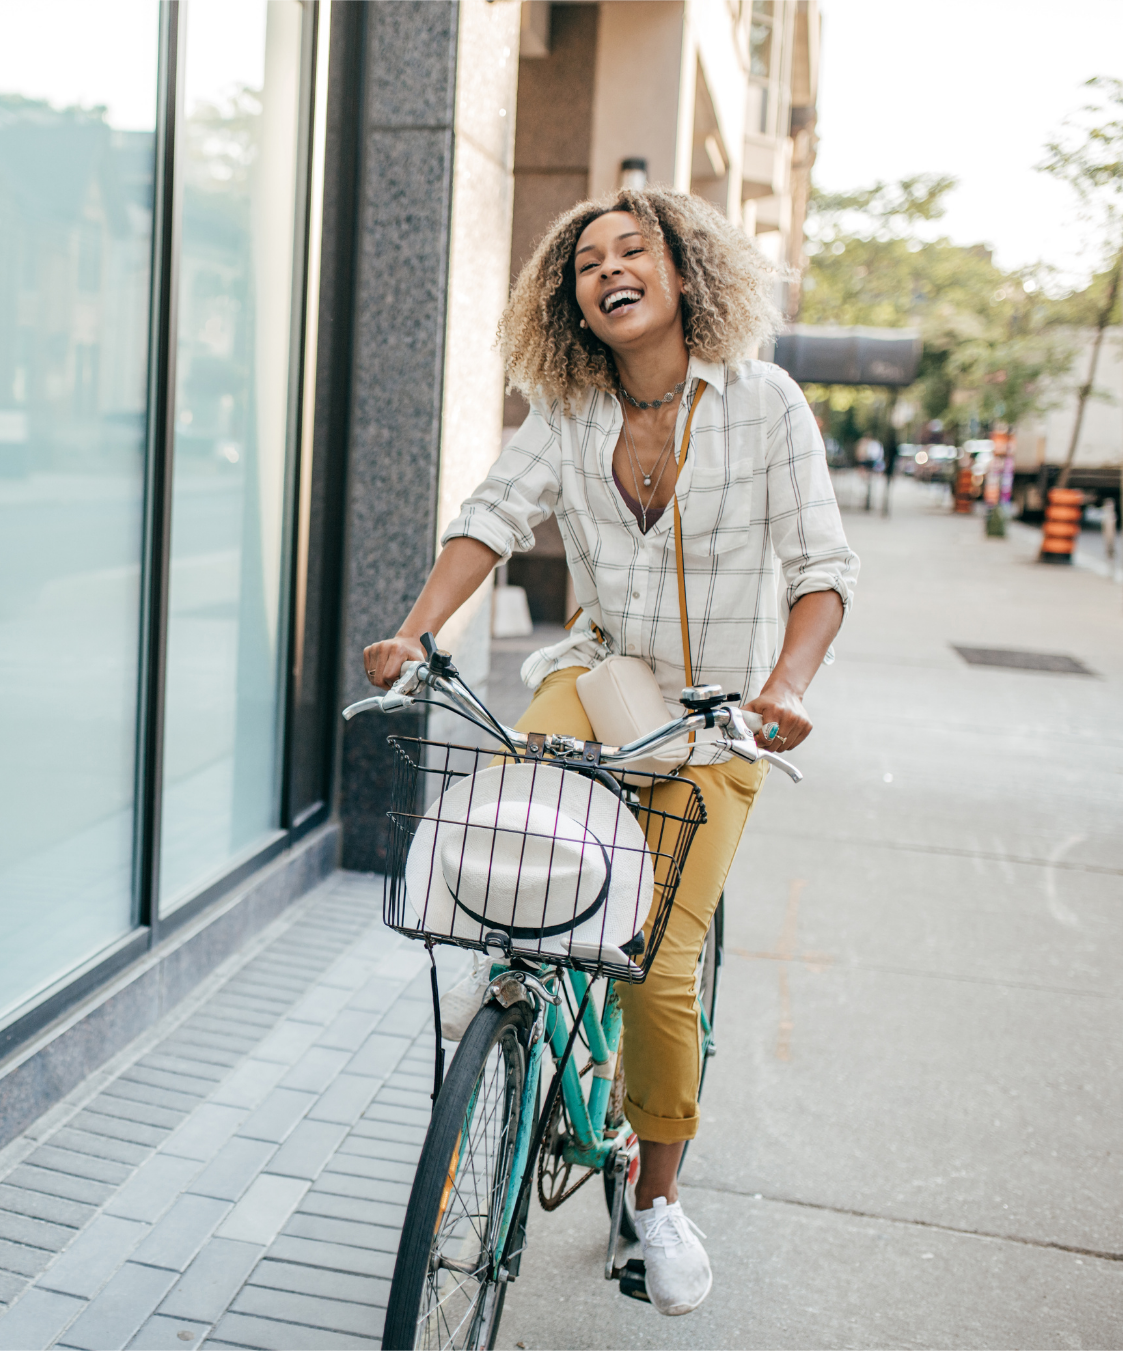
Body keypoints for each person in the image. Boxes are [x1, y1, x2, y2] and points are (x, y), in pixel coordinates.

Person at [363, 188, 859, 1315]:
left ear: (684, 274)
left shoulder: (764, 403)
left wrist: (786, 687)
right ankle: (510, 969)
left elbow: (823, 568)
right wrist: (415, 630)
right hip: (603, 681)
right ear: (570, 298)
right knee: (499, 815)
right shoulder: (570, 406)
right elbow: (492, 514)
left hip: (718, 710)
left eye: (634, 250)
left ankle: (659, 1200)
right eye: (587, 260)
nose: (608, 267)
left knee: (658, 965)